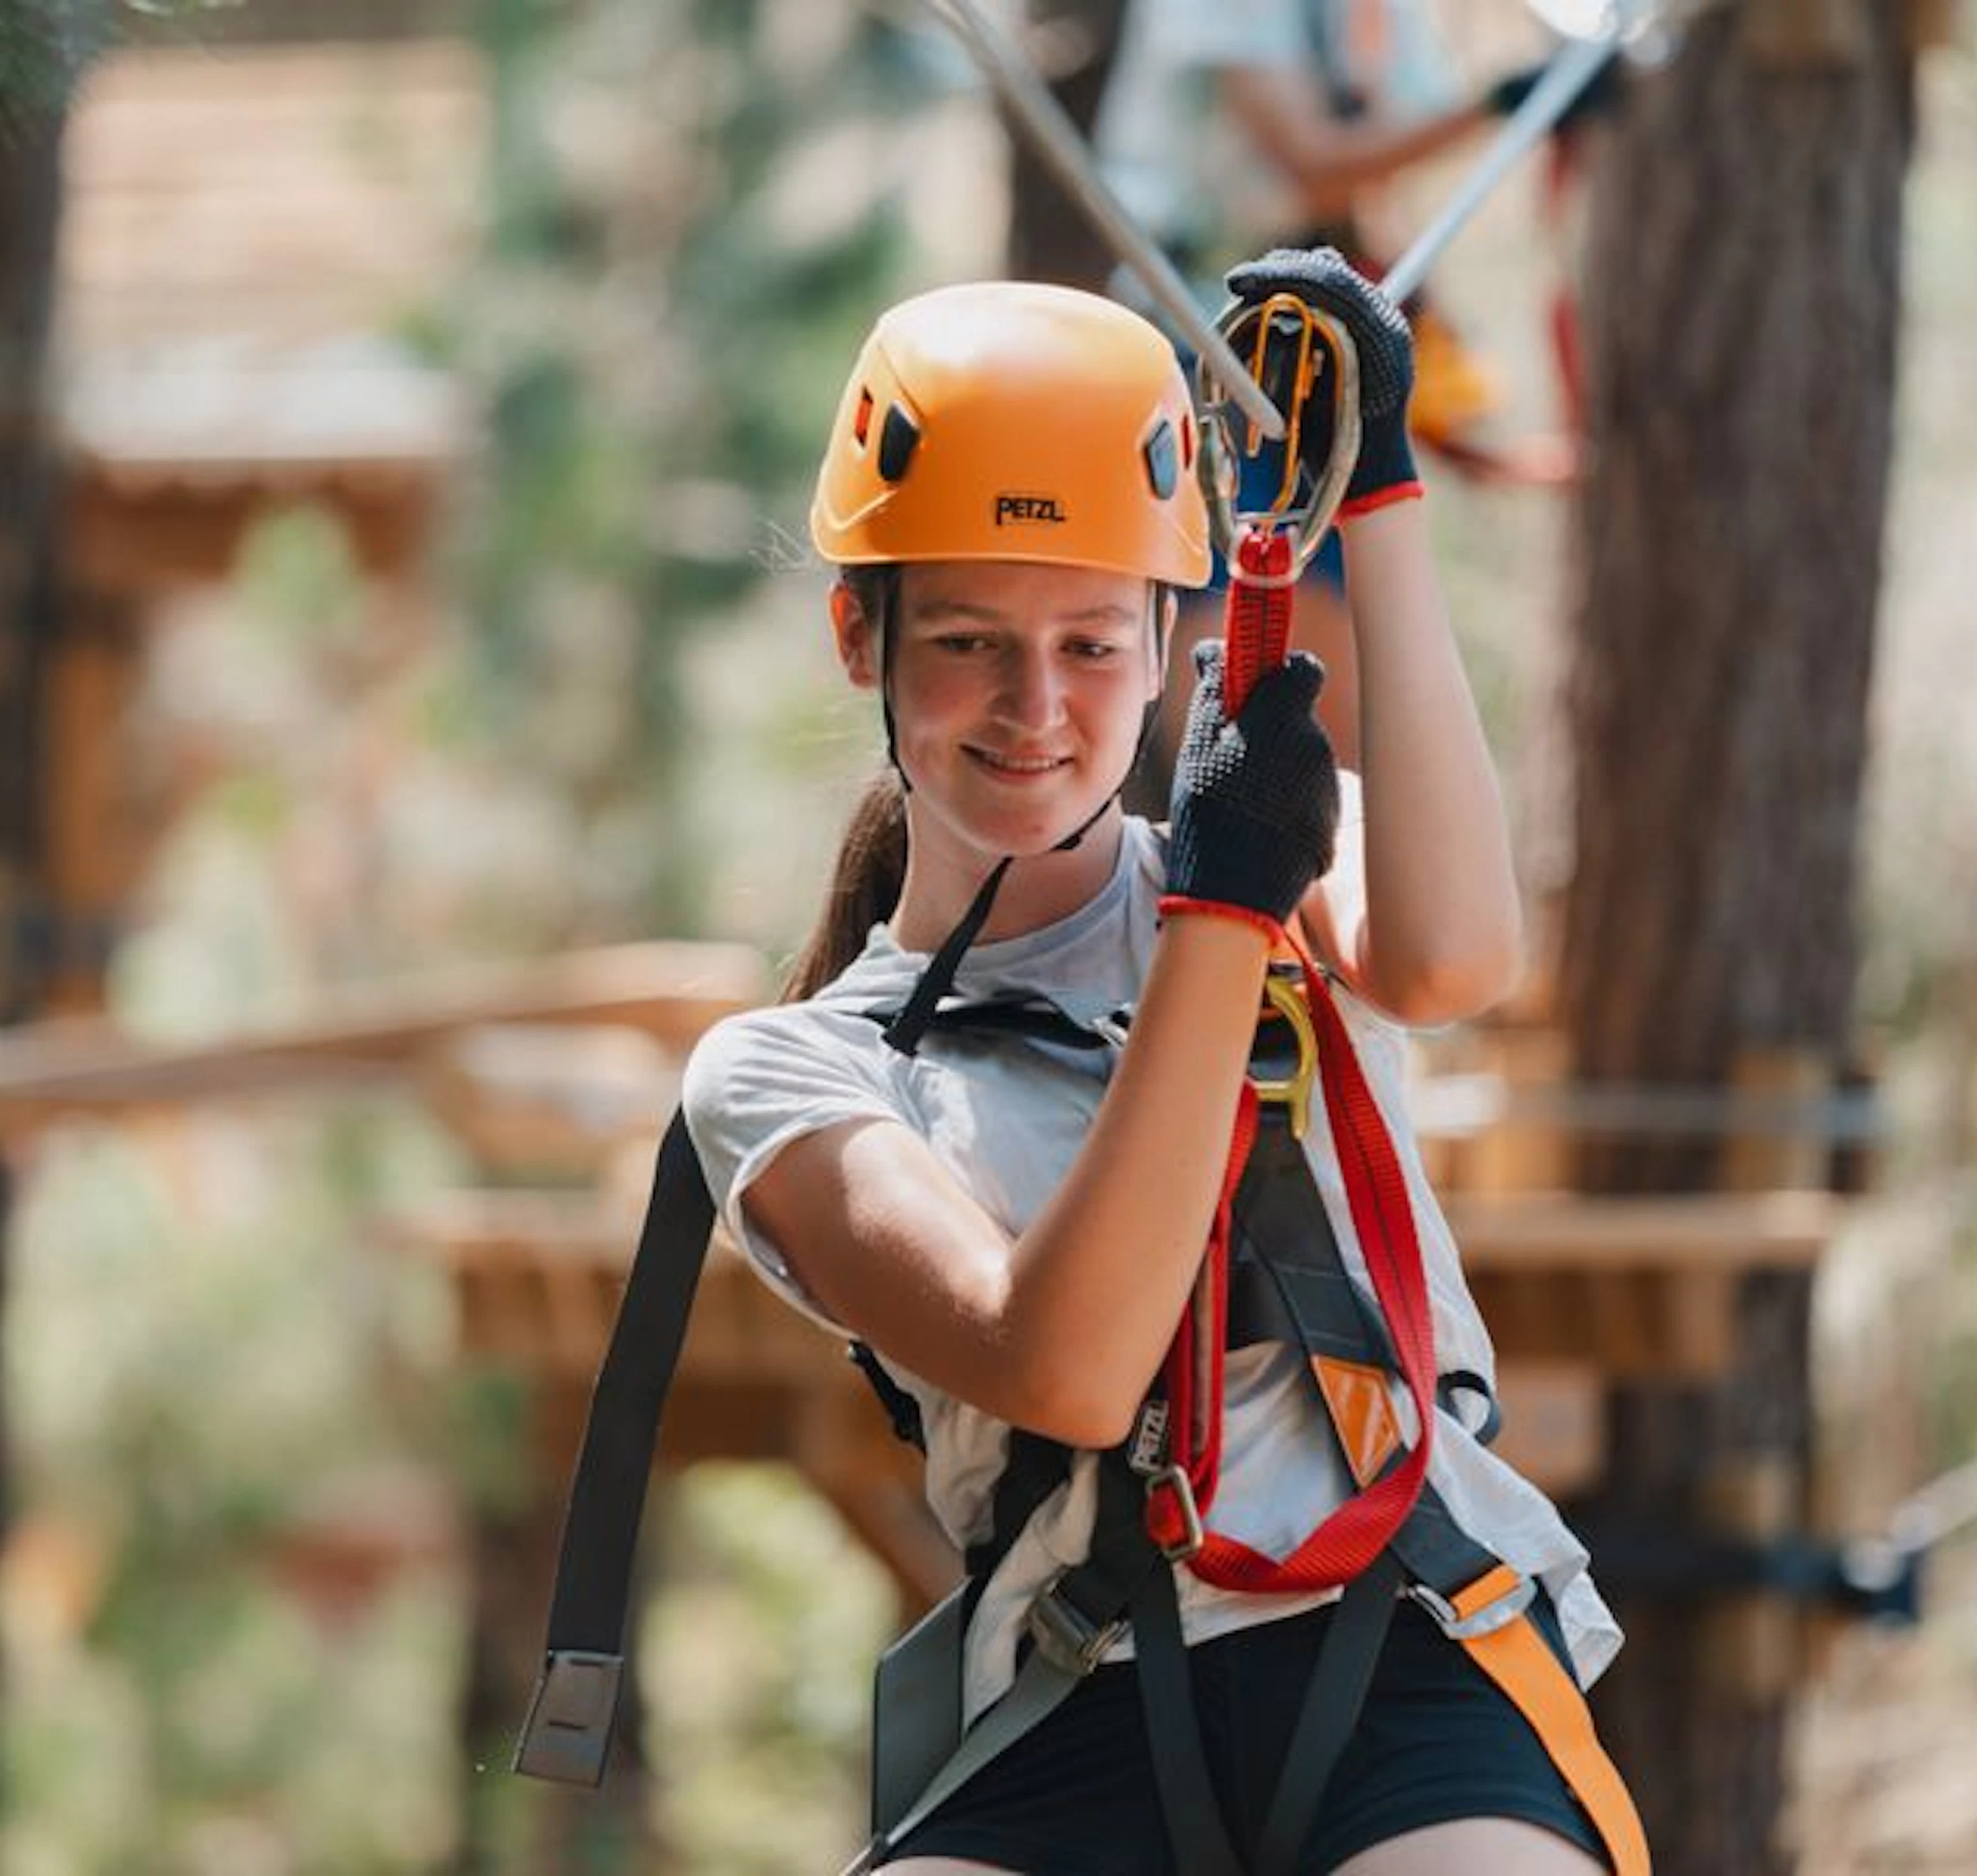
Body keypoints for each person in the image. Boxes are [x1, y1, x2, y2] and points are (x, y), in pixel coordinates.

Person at [679, 255, 1644, 1874]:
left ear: (1165, 637)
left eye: (1088, 644)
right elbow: (1059, 1364)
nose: (1035, 707)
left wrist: (1379, 489)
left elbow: (1455, 955)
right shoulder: (790, 1073)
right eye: (970, 643)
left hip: (1400, 1631)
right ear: (861, 635)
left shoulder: (1276, 889)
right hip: (1079, 1690)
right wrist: (1215, 907)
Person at [1094, 0, 1619, 789]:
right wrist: (1503, 101)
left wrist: (1425, 352)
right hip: (1201, 341)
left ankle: (1322, 901)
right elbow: (1311, 158)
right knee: (1226, 673)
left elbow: (1369, 176)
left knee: (1334, 702)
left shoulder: (1379, 12)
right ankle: (1220, 881)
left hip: (1310, 352)